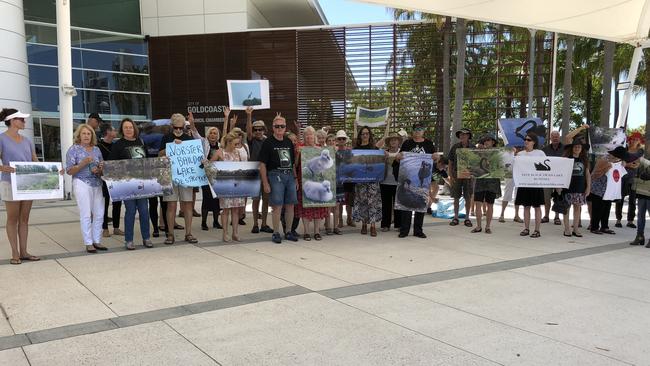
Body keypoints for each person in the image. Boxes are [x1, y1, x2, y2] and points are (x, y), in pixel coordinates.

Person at [0, 109, 43, 264]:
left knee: (24, 219)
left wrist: (50, 171)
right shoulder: (1, 139)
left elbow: (35, 161)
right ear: (12, 120)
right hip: (9, 182)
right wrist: (2, 167)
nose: (24, 122)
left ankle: (24, 251)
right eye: (22, 119)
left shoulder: (27, 141)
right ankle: (15, 253)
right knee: (12, 218)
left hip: (27, 183)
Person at [108, 118, 152, 250]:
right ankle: (129, 240)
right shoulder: (118, 144)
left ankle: (146, 238)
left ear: (134, 129)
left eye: (130, 127)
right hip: (126, 184)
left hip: (142, 182)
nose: (128, 129)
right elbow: (111, 163)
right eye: (126, 127)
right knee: (130, 211)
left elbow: (148, 160)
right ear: (122, 129)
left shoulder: (141, 142)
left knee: (144, 211)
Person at [66, 124, 107, 253]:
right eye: (84, 133)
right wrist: (83, 163)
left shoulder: (96, 150)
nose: (86, 136)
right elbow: (69, 170)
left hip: (97, 183)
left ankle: (97, 240)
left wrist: (100, 170)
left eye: (89, 134)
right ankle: (88, 242)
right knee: (86, 214)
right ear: (79, 135)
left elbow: (103, 168)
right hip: (82, 183)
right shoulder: (73, 150)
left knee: (99, 213)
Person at [259, 113, 299, 244]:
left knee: (290, 205)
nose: (280, 128)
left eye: (282, 126)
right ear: (273, 127)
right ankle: (276, 232)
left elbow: (292, 163)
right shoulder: (267, 142)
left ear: (285, 127)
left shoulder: (288, 142)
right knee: (277, 205)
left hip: (289, 175)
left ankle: (288, 231)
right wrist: (265, 183)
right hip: (275, 175)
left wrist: (295, 178)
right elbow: (262, 164)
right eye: (277, 126)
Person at [159, 113, 197, 244]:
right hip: (169, 175)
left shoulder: (189, 139)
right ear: (172, 126)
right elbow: (159, 154)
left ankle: (189, 233)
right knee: (171, 205)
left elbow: (195, 157)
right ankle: (170, 234)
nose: (179, 130)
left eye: (181, 128)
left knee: (187, 204)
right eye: (176, 128)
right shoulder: (166, 138)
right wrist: (171, 147)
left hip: (185, 176)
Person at [393, 122, 435, 238]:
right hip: (408, 176)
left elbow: (433, 160)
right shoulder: (407, 143)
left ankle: (418, 230)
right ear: (412, 131)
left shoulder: (429, 144)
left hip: (423, 178)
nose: (418, 131)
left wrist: (436, 158)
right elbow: (399, 159)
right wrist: (397, 158)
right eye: (416, 129)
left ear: (424, 131)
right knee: (406, 203)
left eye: (420, 129)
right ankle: (404, 230)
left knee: (421, 202)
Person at [589, 146, 636, 235]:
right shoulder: (603, 160)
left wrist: (626, 164)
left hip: (609, 189)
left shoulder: (618, 161)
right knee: (597, 209)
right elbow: (594, 175)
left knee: (607, 208)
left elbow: (622, 166)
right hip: (598, 189)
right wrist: (606, 168)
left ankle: (604, 227)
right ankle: (594, 227)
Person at [187, 113, 222, 231]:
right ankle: (204, 222)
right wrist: (191, 122)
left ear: (218, 136)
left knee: (217, 198)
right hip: (206, 175)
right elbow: (195, 132)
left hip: (217, 175)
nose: (213, 135)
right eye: (211, 133)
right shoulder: (203, 142)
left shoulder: (220, 145)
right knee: (207, 198)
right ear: (208, 134)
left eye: (215, 133)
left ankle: (216, 222)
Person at [211, 131, 247, 242]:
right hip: (225, 185)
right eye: (235, 144)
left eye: (238, 144)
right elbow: (209, 166)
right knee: (225, 209)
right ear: (229, 142)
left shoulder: (237, 153)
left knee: (236, 210)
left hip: (237, 185)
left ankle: (235, 233)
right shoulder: (220, 152)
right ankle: (225, 233)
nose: (237, 146)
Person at [296, 126, 330, 241]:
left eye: (311, 134)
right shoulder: (300, 148)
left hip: (318, 181)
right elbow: (295, 165)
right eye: (307, 135)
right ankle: (306, 232)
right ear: (304, 137)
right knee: (305, 206)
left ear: (314, 136)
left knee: (318, 206)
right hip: (304, 181)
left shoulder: (320, 149)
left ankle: (316, 231)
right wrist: (298, 154)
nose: (309, 137)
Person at [245, 107, 272, 234]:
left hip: (266, 173)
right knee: (256, 200)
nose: (258, 131)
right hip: (254, 173)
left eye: (260, 129)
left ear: (264, 130)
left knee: (266, 199)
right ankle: (255, 224)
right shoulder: (251, 141)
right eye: (255, 129)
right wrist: (249, 115)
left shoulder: (268, 141)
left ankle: (264, 223)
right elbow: (248, 132)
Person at [514, 132, 546, 238]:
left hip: (536, 184)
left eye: (529, 140)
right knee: (526, 207)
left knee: (537, 207)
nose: (526, 141)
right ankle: (526, 228)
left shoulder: (540, 153)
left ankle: (537, 230)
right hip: (524, 184)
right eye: (525, 139)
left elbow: (547, 166)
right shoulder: (520, 154)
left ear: (534, 142)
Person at [352, 126, 382, 236]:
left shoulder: (375, 149)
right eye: (363, 134)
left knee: (373, 202)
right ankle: (364, 224)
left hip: (373, 181)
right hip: (360, 180)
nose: (365, 135)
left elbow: (379, 163)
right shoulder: (356, 149)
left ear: (370, 135)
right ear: (360, 136)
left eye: (367, 133)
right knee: (363, 202)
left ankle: (373, 226)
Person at [470, 134, 501, 234]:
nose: (486, 142)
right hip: (481, 180)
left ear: (493, 142)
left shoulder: (498, 152)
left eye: (488, 140)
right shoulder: (479, 152)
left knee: (490, 204)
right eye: (484, 141)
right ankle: (478, 226)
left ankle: (488, 227)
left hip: (493, 181)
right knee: (478, 203)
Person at [97, 123, 124, 237]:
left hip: (116, 177)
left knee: (117, 202)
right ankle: (105, 228)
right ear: (108, 132)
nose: (116, 132)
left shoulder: (116, 145)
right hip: (104, 178)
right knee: (105, 202)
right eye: (113, 130)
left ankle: (116, 227)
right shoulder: (99, 146)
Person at [560, 141, 591, 237]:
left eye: (579, 147)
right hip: (567, 187)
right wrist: (559, 186)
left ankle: (576, 228)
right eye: (575, 147)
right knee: (567, 208)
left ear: (581, 149)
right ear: (572, 148)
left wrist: (588, 187)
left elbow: (587, 174)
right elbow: (561, 172)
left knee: (577, 208)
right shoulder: (566, 159)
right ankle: (567, 228)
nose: (577, 148)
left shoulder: (584, 160)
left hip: (580, 187)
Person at [615, 132, 644, 228]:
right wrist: (629, 164)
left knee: (632, 199)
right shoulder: (625, 149)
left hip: (634, 177)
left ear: (639, 141)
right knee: (620, 198)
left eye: (637, 139)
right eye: (634, 139)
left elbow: (637, 164)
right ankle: (618, 219)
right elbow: (621, 163)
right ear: (630, 139)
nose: (635, 140)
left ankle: (630, 220)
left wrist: (627, 163)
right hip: (622, 176)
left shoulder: (640, 151)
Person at [447, 128, 474, 227]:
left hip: (469, 176)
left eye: (465, 134)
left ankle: (467, 218)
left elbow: (477, 162)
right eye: (461, 134)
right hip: (456, 174)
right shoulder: (455, 147)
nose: (463, 136)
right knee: (456, 197)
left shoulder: (473, 147)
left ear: (468, 136)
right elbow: (450, 162)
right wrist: (450, 175)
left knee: (468, 197)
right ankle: (455, 217)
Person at [377, 132, 402, 232]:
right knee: (386, 205)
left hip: (398, 182)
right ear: (388, 142)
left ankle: (398, 225)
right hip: (385, 182)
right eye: (391, 140)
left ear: (398, 142)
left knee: (398, 205)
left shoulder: (402, 153)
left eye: (395, 140)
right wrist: (383, 158)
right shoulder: (383, 152)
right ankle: (385, 225)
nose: (393, 141)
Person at [542, 130, 563, 225]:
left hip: (560, 178)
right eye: (553, 136)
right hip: (548, 178)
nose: (555, 138)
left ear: (559, 137)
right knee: (546, 197)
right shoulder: (545, 149)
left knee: (558, 197)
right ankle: (546, 216)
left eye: (557, 136)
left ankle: (557, 217)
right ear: (550, 138)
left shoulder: (565, 148)